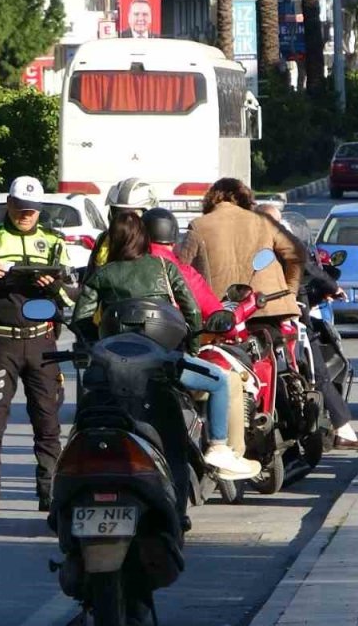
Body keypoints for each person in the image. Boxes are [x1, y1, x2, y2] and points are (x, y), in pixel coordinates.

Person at [72, 211, 261, 505]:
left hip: (112, 369)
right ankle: (218, 447)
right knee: (220, 381)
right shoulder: (164, 267)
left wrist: (98, 346)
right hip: (163, 364)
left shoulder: (102, 275)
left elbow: (81, 319)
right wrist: (192, 349)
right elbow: (193, 313)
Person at [0, 176, 76, 515]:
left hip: (41, 342)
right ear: (8, 205)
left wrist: (53, 286)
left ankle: (49, 491)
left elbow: (71, 297)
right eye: (21, 209)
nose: (26, 215)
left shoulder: (53, 243)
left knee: (48, 421)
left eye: (32, 211)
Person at [254, 202, 358, 451]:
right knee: (318, 370)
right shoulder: (277, 241)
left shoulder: (245, 243)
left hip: (249, 313)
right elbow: (306, 264)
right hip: (286, 310)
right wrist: (333, 287)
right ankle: (342, 429)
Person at [144, 207, 249, 459]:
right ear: (173, 238)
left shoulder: (118, 268)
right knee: (228, 381)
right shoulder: (181, 271)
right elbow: (216, 314)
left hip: (121, 363)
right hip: (170, 362)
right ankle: (225, 451)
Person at [185, 178, 303, 324]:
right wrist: (290, 291)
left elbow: (182, 268)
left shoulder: (199, 225)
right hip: (270, 306)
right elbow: (297, 253)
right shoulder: (263, 220)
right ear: (246, 199)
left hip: (222, 315)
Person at [85, 177, 159, 280]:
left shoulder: (156, 243)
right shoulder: (103, 239)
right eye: (118, 213)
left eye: (133, 215)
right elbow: (90, 277)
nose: (124, 221)